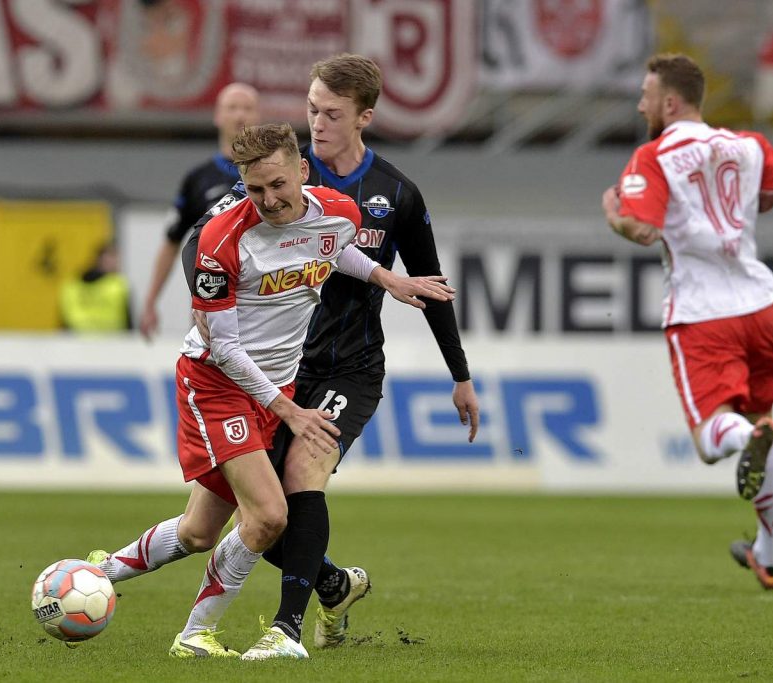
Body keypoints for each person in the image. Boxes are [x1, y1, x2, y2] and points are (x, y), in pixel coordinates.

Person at [89, 122, 455, 659]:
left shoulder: (337, 211)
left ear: (302, 172)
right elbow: (227, 349)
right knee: (267, 516)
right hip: (217, 384)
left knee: (197, 532)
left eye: (279, 185)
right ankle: (193, 636)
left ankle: (96, 573)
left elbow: (335, 249)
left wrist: (387, 278)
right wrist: (289, 411)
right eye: (255, 189)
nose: (269, 200)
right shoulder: (221, 242)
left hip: (271, 385)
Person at [175, 53, 480, 657]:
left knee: (300, 475)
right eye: (312, 109)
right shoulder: (280, 179)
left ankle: (286, 629)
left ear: (363, 117)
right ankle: (333, 585)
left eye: (331, 113)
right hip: (282, 368)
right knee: (260, 507)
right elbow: (200, 246)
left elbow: (428, 281)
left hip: (350, 366)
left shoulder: (395, 194)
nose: (317, 122)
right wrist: (209, 300)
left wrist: (460, 374)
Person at [601, 53, 773, 591]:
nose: (640, 104)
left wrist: (614, 216)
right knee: (759, 436)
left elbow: (645, 230)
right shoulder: (748, 146)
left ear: (670, 103)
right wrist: (760, 199)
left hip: (703, 311)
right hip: (762, 304)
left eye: (647, 96)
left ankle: (748, 437)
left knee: (711, 439)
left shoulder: (654, 157)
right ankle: (768, 556)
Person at [137, 82, 260, 340]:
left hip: (263, 301)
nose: (240, 115)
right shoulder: (199, 179)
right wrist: (150, 302)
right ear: (217, 116)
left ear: (259, 116)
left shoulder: (276, 174)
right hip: (210, 302)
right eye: (232, 107)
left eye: (247, 108)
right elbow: (172, 241)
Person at [59, 240, 133, 332]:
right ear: (100, 260)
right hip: (112, 341)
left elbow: (64, 324)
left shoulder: (72, 286)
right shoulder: (118, 286)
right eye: (112, 258)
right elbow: (129, 324)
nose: (116, 262)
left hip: (78, 341)